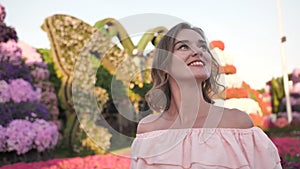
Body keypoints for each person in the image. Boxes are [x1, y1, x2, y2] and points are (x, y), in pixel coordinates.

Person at [130, 22, 282, 169]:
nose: (198, 51)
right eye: (183, 46)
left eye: (202, 46)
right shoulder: (148, 131)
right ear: (164, 66)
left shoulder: (238, 124)